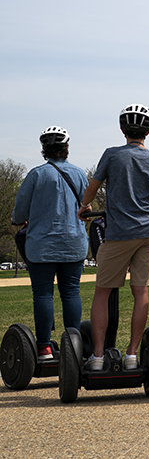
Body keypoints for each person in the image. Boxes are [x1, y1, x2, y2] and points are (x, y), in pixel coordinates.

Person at [78, 104, 149, 371]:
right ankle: (131, 355)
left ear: (122, 129)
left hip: (119, 234)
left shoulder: (112, 155)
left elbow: (91, 189)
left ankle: (96, 356)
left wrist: (85, 207)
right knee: (140, 293)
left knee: (103, 292)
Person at [12, 127, 89, 361]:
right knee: (71, 292)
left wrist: (19, 219)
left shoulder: (36, 175)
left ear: (44, 150)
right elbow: (87, 208)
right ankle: (73, 344)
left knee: (43, 295)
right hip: (74, 243)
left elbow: (19, 211)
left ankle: (44, 348)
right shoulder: (79, 174)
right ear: (66, 148)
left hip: (42, 245)